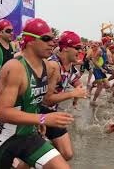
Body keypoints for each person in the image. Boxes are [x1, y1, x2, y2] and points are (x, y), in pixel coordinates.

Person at [0, 18, 73, 169]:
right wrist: (43, 119)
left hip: (28, 133)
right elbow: (2, 112)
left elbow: (36, 99)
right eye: (46, 39)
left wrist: (38, 121)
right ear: (30, 41)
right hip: (5, 138)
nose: (53, 43)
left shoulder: (47, 66)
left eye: (54, 39)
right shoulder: (15, 68)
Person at [40, 31, 87, 161]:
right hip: (38, 114)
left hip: (52, 112)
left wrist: (78, 89)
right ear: (65, 48)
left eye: (81, 48)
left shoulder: (70, 66)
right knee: (26, 160)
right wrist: (72, 94)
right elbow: (46, 100)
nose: (80, 51)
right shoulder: (54, 66)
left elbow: (75, 81)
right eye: (77, 48)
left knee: (67, 153)